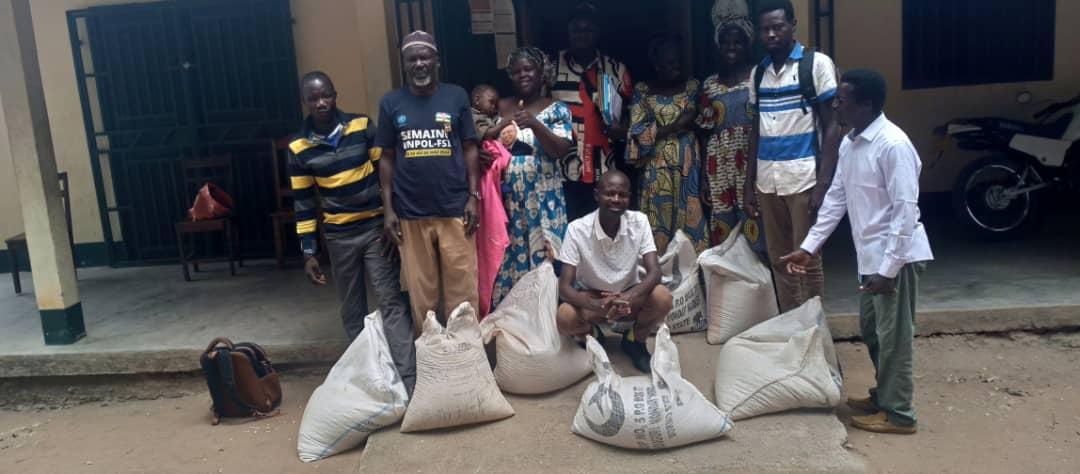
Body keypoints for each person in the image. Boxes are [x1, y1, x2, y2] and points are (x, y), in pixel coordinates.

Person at [781, 69, 933, 435]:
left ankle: (900, 414)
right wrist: (808, 247)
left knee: (893, 338)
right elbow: (836, 198)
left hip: (896, 259)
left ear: (866, 104)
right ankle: (885, 396)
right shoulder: (851, 142)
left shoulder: (892, 145)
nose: (835, 105)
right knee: (874, 332)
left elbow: (904, 211)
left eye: (842, 100)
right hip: (872, 259)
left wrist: (889, 269)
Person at [287, 71, 415, 393]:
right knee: (352, 309)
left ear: (335, 94)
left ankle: (410, 382)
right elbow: (303, 203)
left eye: (326, 95)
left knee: (391, 303)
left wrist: (391, 217)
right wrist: (308, 252)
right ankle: (370, 382)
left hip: (375, 230)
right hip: (339, 237)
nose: (321, 103)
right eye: (313, 98)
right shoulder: (298, 148)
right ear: (304, 102)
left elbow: (385, 175)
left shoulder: (361, 126)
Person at [375, 31, 481, 328]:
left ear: (436, 61)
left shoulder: (456, 96)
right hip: (410, 213)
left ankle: (465, 357)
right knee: (423, 297)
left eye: (425, 57)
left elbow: (471, 148)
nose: (419, 64)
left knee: (463, 294)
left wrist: (474, 197)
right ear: (404, 64)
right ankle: (432, 361)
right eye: (412, 59)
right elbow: (386, 157)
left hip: (455, 209)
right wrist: (388, 209)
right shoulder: (391, 102)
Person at [744, 0, 841, 312]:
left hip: (804, 180)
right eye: (765, 29)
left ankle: (814, 329)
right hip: (767, 181)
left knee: (807, 258)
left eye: (778, 27)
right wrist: (749, 184)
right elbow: (756, 130)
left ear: (793, 25)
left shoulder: (816, 65)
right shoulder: (758, 74)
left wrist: (823, 184)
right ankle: (792, 326)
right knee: (779, 259)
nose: (771, 34)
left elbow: (832, 126)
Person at [556, 170, 673, 373]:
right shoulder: (577, 229)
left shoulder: (640, 221)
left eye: (622, 195)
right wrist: (598, 304)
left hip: (630, 296)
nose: (616, 200)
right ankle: (592, 335)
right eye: (609, 193)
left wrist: (628, 296)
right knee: (565, 317)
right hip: (593, 299)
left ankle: (635, 340)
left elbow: (655, 272)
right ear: (596, 195)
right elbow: (565, 288)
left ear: (629, 198)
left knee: (663, 297)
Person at [490, 47, 574, 308]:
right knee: (511, 256)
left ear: (542, 74)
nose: (522, 75)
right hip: (509, 202)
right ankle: (517, 320)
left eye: (528, 69)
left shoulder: (556, 108)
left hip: (545, 201)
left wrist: (535, 124)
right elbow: (486, 145)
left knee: (546, 258)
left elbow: (560, 150)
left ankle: (550, 318)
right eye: (516, 72)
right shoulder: (501, 107)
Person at [626, 33, 708, 254]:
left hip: (688, 169)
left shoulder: (692, 87)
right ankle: (658, 282)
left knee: (689, 228)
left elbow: (702, 125)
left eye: (679, 61)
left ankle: (692, 285)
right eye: (671, 62)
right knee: (656, 229)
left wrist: (705, 178)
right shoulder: (643, 91)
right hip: (655, 171)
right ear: (657, 64)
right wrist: (674, 126)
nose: (677, 66)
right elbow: (635, 136)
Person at [551, 3, 634, 221]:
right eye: (577, 30)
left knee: (601, 228)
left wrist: (622, 130)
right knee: (567, 229)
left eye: (587, 29)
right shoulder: (551, 69)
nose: (582, 35)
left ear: (597, 32)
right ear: (568, 33)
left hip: (603, 166)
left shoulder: (616, 69)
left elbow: (633, 117)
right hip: (562, 166)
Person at [696, 1, 767, 254]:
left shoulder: (758, 77)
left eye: (737, 42)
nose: (731, 47)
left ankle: (762, 287)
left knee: (756, 224)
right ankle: (732, 288)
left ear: (747, 44)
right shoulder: (709, 84)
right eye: (726, 42)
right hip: (718, 166)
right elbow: (705, 132)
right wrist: (704, 177)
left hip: (750, 164)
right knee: (724, 229)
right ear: (718, 45)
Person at [470, 83, 512, 317]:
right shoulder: (474, 117)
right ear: (477, 100)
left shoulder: (487, 115)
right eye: (491, 101)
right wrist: (505, 122)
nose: (495, 106)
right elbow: (486, 136)